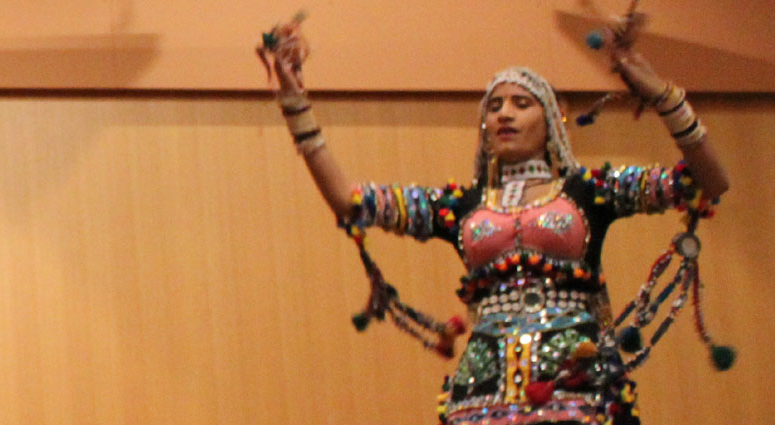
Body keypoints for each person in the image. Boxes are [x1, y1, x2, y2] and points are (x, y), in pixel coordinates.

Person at [260, 13, 731, 425]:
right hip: (481, 392)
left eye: (522, 104)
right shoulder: (461, 205)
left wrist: (663, 96)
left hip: (576, 387)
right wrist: (295, 104)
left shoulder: (590, 191)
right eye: (495, 105)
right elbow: (349, 202)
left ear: (552, 120)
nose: (505, 113)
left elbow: (708, 182)